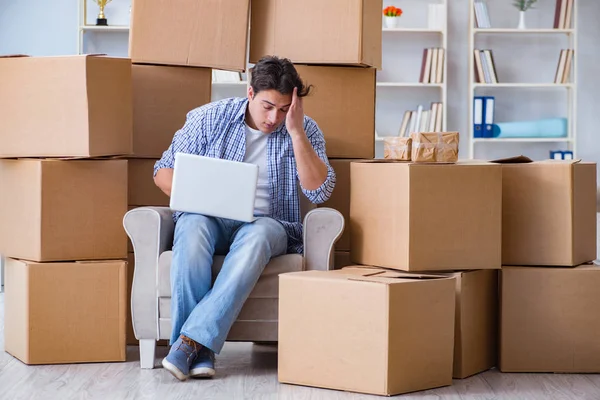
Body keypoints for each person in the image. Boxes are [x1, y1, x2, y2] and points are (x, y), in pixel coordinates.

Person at [152, 56, 336, 381]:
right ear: (249, 93)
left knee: (260, 232)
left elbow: (320, 191)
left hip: (269, 225)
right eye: (267, 106)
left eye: (282, 109)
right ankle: (200, 351)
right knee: (192, 224)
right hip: (212, 218)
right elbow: (163, 171)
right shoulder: (209, 118)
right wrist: (199, 199)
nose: (273, 117)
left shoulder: (304, 130)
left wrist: (295, 133)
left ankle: (187, 343)